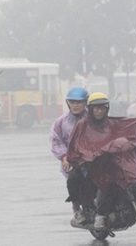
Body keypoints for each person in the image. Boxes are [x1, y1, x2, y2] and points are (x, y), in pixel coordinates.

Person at [67, 92, 136, 230]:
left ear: (107, 109)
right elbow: (75, 145)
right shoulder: (82, 125)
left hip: (110, 162)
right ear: (90, 109)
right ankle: (98, 214)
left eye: (102, 108)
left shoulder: (112, 122)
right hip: (91, 164)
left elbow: (128, 126)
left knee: (115, 178)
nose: (99, 111)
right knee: (80, 178)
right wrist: (88, 155)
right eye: (96, 108)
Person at [49, 87, 92, 226]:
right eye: (72, 102)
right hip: (73, 160)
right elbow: (55, 141)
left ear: (85, 103)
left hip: (93, 158)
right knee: (73, 180)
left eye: (79, 102)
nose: (76, 105)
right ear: (68, 103)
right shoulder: (61, 122)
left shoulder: (93, 118)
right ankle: (76, 209)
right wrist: (64, 156)